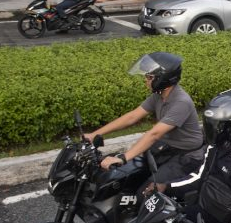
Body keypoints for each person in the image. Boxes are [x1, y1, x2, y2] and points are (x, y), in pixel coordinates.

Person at [87, 52, 205, 183]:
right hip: (167, 147)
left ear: (163, 79)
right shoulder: (159, 95)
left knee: (148, 190)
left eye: (149, 77)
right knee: (130, 177)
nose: (146, 80)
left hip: (187, 155)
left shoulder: (181, 102)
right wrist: (94, 134)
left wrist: (123, 158)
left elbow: (154, 134)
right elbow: (132, 116)